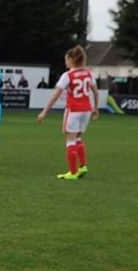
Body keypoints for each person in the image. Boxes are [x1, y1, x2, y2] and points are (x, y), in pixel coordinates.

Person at [36, 44, 99, 181]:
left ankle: (72, 172)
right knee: (78, 138)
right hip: (86, 110)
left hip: (74, 110)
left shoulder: (68, 75)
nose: (65, 62)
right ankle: (82, 166)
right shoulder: (88, 73)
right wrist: (96, 108)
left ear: (71, 59)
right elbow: (95, 90)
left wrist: (44, 112)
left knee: (69, 140)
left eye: (66, 59)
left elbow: (56, 94)